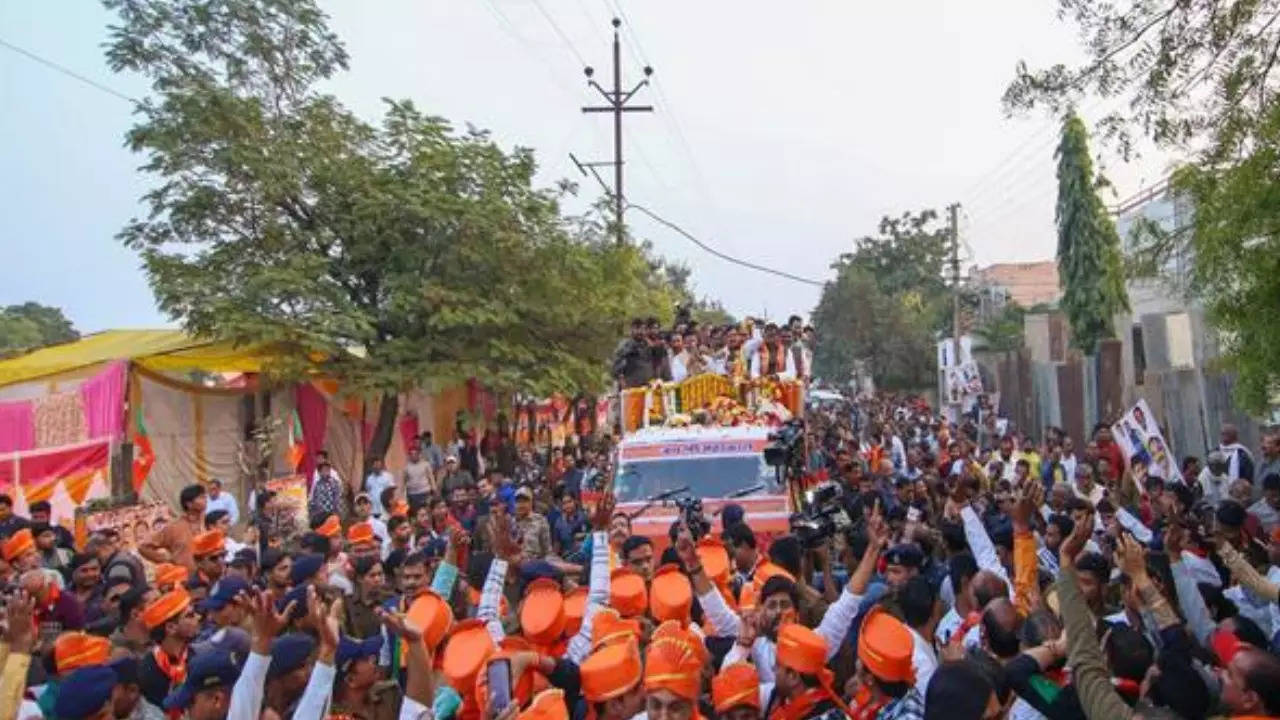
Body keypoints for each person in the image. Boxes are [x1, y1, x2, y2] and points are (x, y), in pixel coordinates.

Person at [140, 484, 207, 572]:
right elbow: (143, 547)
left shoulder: (210, 522)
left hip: (211, 578)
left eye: (205, 497)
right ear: (189, 504)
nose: (205, 500)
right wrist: (166, 560)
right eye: (201, 497)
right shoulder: (174, 527)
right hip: (185, 580)